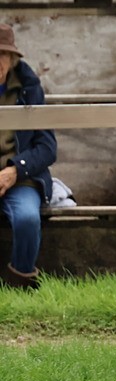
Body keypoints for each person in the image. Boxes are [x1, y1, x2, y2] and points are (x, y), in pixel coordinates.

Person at [0, 24, 56, 290]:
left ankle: (20, 284)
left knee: (27, 218)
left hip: (18, 178)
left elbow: (47, 147)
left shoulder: (29, 89)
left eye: (2, 55)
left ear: (12, 60)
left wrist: (14, 171)